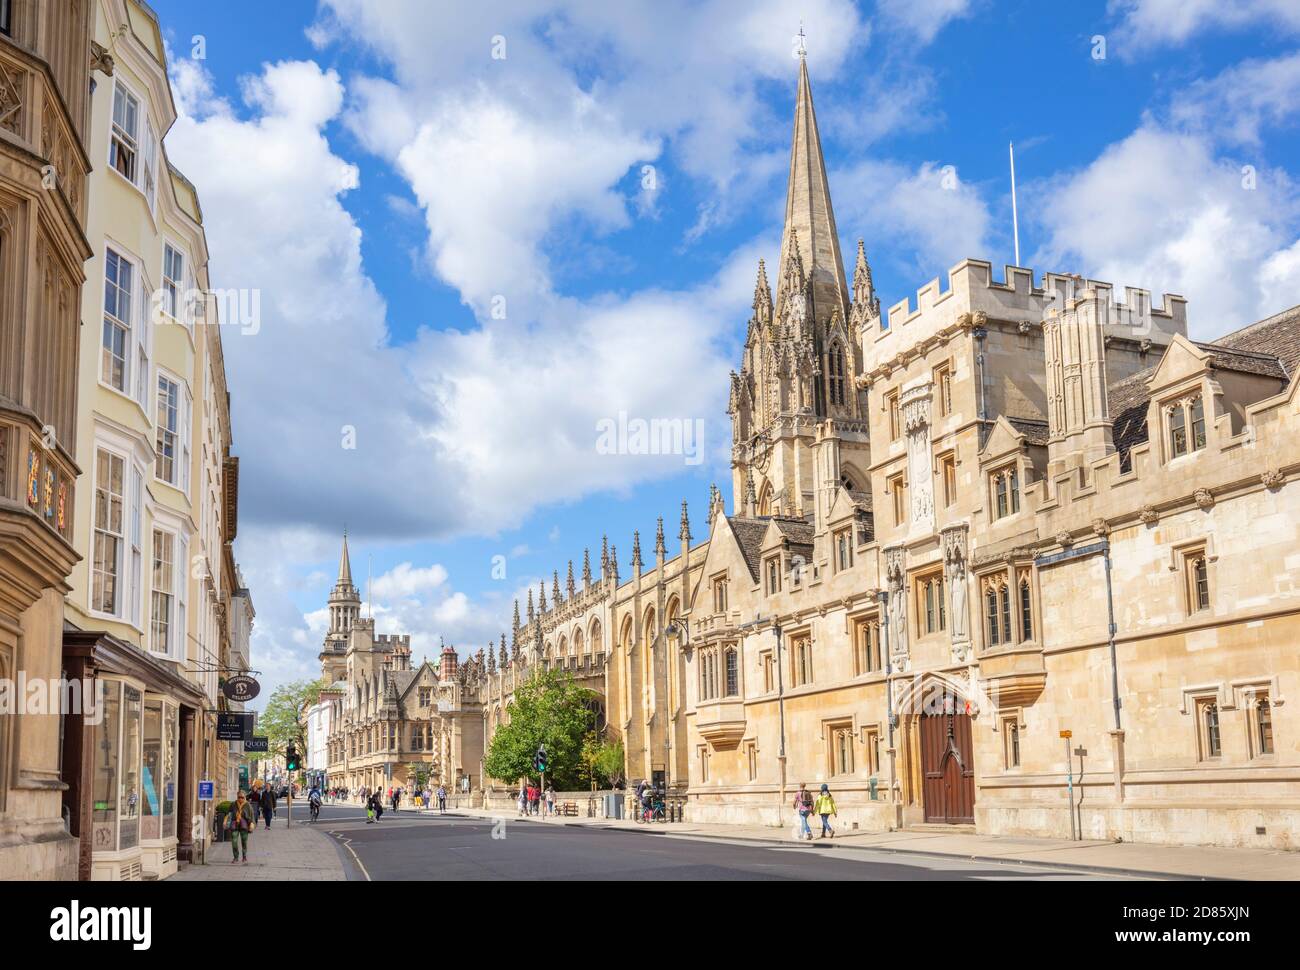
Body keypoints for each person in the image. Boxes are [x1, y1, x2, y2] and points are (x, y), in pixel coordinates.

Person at [226, 790, 256, 863]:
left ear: (245, 797)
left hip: (244, 826)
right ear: (237, 797)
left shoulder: (248, 805)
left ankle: (244, 856)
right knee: (234, 841)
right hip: (235, 825)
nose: (241, 799)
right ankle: (235, 857)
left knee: (244, 842)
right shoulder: (233, 804)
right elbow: (229, 815)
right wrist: (226, 823)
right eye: (239, 797)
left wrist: (252, 824)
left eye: (242, 797)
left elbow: (252, 816)